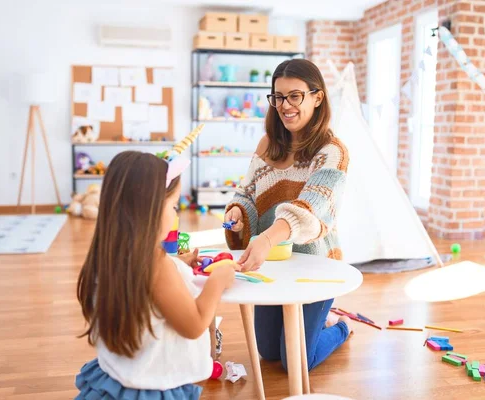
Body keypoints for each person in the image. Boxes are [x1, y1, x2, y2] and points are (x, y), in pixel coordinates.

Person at [224, 59, 353, 371]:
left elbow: (308, 209)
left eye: (295, 96)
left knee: (295, 362)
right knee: (268, 352)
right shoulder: (267, 145)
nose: (285, 105)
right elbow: (246, 195)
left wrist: (267, 238)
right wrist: (238, 213)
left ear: (317, 97)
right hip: (274, 264)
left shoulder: (333, 152)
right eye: (278, 97)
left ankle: (340, 327)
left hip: (316, 266)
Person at [75, 151, 236, 399]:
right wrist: (218, 279)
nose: (175, 215)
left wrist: (177, 263)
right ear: (148, 210)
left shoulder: (107, 253)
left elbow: (143, 284)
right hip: (151, 388)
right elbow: (194, 325)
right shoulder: (156, 265)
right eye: (173, 206)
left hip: (115, 380)